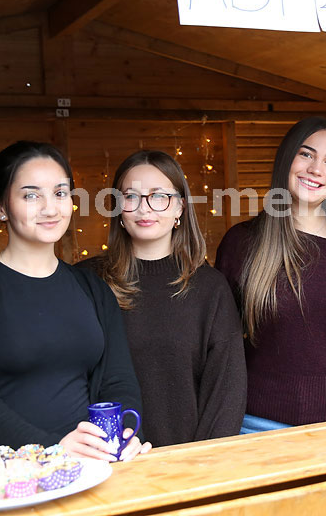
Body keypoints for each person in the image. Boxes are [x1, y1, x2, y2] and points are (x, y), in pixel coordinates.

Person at [0, 141, 148, 460]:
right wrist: (53, 449)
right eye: (31, 195)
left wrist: (124, 435)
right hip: (0, 471)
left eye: (60, 193)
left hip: (86, 466)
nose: (50, 208)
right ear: (0, 207)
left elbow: (118, 381)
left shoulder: (92, 288)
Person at [215, 117, 326, 432]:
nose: (316, 169)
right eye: (306, 154)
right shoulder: (242, 242)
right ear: (287, 158)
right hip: (256, 423)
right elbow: (218, 343)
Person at [79, 150, 246, 447]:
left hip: (190, 460)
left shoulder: (210, 288)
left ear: (180, 207)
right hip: (107, 457)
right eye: (131, 197)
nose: (145, 208)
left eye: (159, 196)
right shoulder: (87, 281)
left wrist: (203, 461)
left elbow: (227, 392)